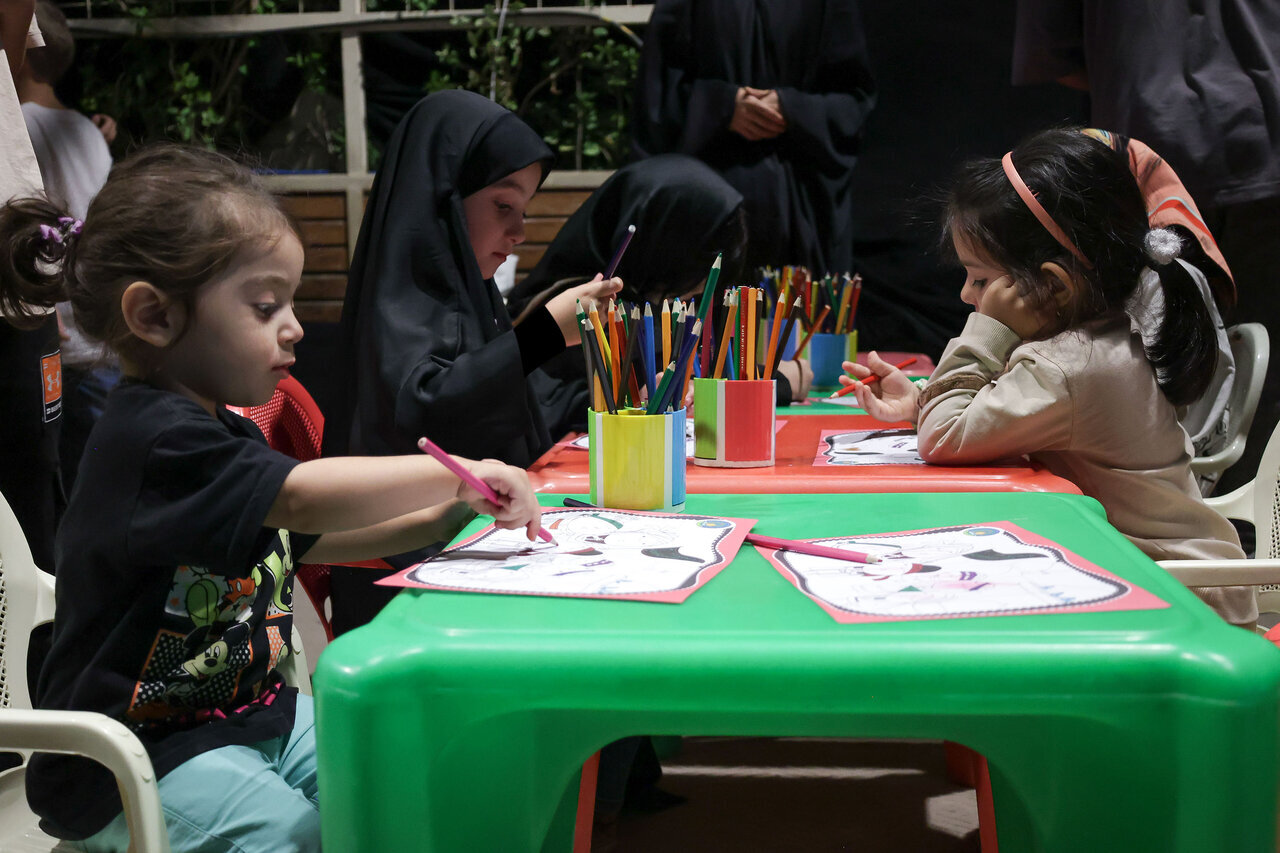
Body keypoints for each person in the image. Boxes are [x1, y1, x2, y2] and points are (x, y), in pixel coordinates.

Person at [0, 143, 543, 850]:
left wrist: (447, 514)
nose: (294, 326)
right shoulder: (154, 439)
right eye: (265, 306)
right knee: (299, 837)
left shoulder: (219, 428)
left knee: (405, 773)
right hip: (130, 756)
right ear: (155, 315)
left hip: (252, 717)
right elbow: (304, 501)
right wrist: (456, 470)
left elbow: (305, 539)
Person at [841, 128, 1255, 628]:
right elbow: (980, 419)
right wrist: (921, 401)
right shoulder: (1088, 342)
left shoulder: (1071, 366)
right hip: (1161, 579)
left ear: (1054, 285)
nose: (966, 296)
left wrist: (986, 332)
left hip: (1186, 601)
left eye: (980, 279)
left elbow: (944, 438)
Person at [323, 89, 621, 633]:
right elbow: (425, 415)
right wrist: (540, 336)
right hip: (408, 587)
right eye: (503, 206)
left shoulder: (473, 292)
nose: (519, 233)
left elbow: (508, 410)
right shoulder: (401, 300)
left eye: (524, 212)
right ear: (443, 200)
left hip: (478, 548)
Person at [1011, 0, 1280, 498]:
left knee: (1130, 364)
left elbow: (1058, 55)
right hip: (1261, 144)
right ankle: (1240, 527)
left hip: (1144, 139)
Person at [505, 153, 810, 436]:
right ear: (660, 244)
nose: (701, 287)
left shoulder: (643, 292)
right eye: (697, 264)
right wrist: (777, 381)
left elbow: (692, 371)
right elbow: (580, 399)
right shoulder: (583, 301)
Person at [631, 0, 876, 274]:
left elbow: (853, 100)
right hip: (707, 208)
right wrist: (721, 107)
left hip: (799, 209)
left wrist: (791, 108)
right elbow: (657, 98)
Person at [17, 0, 117, 495]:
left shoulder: (19, 129)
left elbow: (25, 221)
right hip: (98, 326)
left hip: (58, 334)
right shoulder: (85, 130)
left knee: (67, 479)